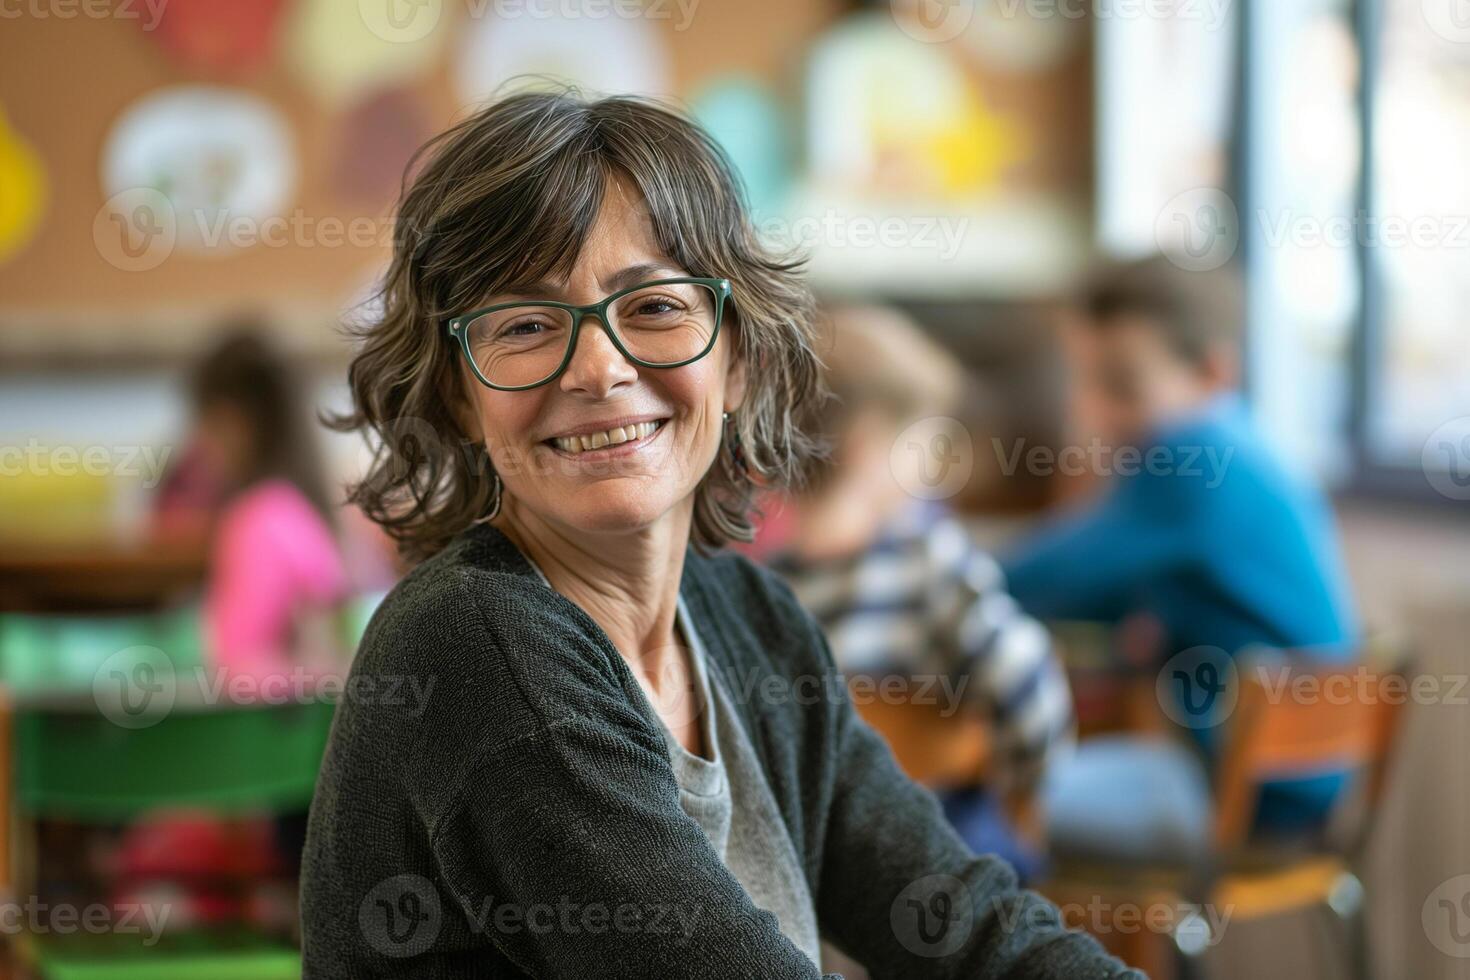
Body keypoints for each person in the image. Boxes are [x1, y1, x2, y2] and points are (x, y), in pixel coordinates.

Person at [300, 90, 1141, 978]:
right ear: (457, 398)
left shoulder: (754, 620)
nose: (600, 368)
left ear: (737, 360)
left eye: (655, 308)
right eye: (524, 325)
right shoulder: (475, 644)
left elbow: (966, 925)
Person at [1002, 256, 1361, 855]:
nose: (1095, 414)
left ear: (1213, 371)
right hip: (1302, 775)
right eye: (1085, 384)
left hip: (1245, 787)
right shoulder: (1241, 447)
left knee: (974, 805)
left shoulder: (1192, 458)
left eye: (1122, 386)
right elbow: (1102, 599)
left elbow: (1034, 581)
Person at [762, 305, 1074, 883]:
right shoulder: (929, 563)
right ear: (868, 443)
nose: (935, 463)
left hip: (816, 873)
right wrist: (1028, 787)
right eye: (927, 442)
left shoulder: (762, 590)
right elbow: (1027, 678)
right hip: (949, 856)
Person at [184, 329, 351, 690]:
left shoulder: (254, 522)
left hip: (268, 735)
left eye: (205, 424)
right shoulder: (302, 514)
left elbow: (238, 671)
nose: (199, 443)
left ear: (234, 423)